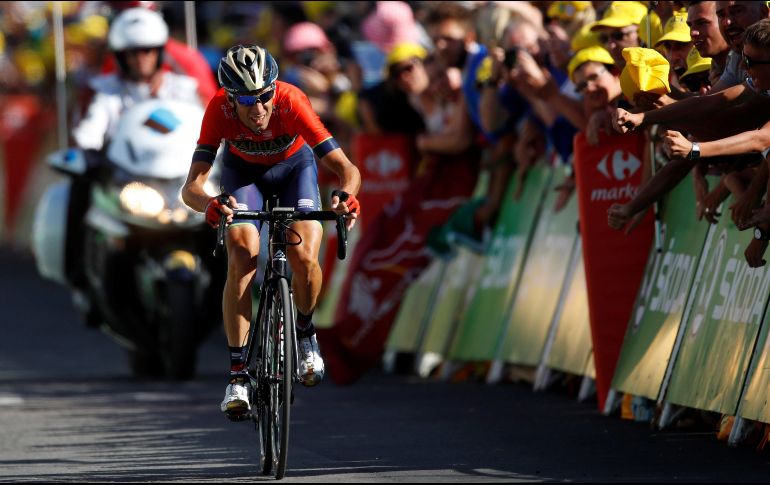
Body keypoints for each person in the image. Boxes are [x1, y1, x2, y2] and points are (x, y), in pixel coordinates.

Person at [180, 44, 361, 419]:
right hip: (243, 177)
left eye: (264, 96)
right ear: (231, 98)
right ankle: (237, 375)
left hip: (296, 171)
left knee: (304, 254)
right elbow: (192, 187)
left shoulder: (292, 101)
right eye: (247, 99)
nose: (259, 108)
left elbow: (347, 169)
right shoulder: (219, 110)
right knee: (242, 255)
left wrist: (346, 197)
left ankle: (307, 335)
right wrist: (210, 204)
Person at [65, 7, 203, 321]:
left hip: (177, 182)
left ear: (159, 52)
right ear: (120, 55)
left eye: (147, 50)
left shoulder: (183, 89)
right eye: (132, 52)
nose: (140, 57)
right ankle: (79, 273)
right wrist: (84, 151)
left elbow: (205, 131)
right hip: (130, 184)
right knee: (79, 186)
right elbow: (90, 132)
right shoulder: (107, 92)